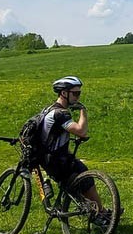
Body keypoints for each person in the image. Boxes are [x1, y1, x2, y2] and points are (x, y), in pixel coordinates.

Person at [39, 76, 110, 222]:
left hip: (55, 158)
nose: (78, 96)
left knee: (86, 177)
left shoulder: (50, 109)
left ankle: (100, 211)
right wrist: (83, 110)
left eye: (79, 93)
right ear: (64, 93)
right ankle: (96, 214)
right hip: (55, 161)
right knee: (79, 182)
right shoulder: (60, 114)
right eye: (75, 93)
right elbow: (81, 130)